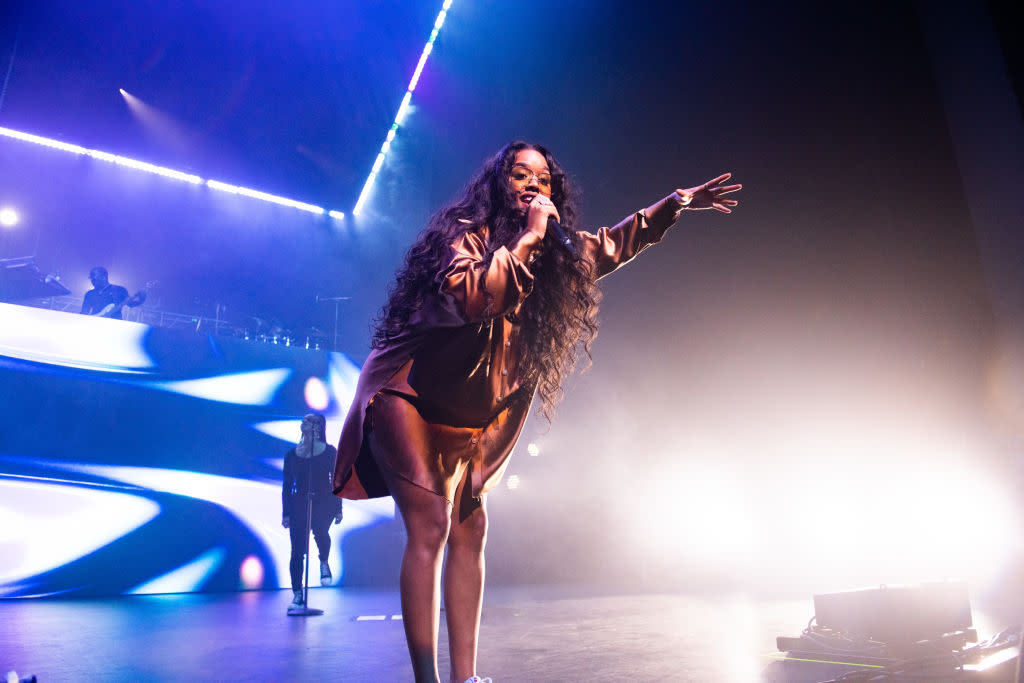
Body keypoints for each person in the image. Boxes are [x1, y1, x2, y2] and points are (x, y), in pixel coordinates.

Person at [331, 141, 741, 682]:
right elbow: (478, 297)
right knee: (430, 524)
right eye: (520, 175)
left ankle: (465, 678)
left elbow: (615, 245)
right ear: (499, 184)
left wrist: (675, 204)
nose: (533, 186)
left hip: (468, 415)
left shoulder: (555, 256)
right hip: (407, 395)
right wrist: (526, 238)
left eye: (543, 180)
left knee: (471, 529)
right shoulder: (465, 233)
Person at [282, 413, 343, 612]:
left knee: (321, 533)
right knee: (297, 550)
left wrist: (338, 507)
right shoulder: (292, 454)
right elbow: (287, 485)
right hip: (299, 502)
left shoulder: (329, 452)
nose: (303, 422)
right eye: (303, 420)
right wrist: (286, 512)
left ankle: (323, 559)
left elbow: (336, 480)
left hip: (323, 501)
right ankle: (297, 594)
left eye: (308, 420)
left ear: (318, 426)